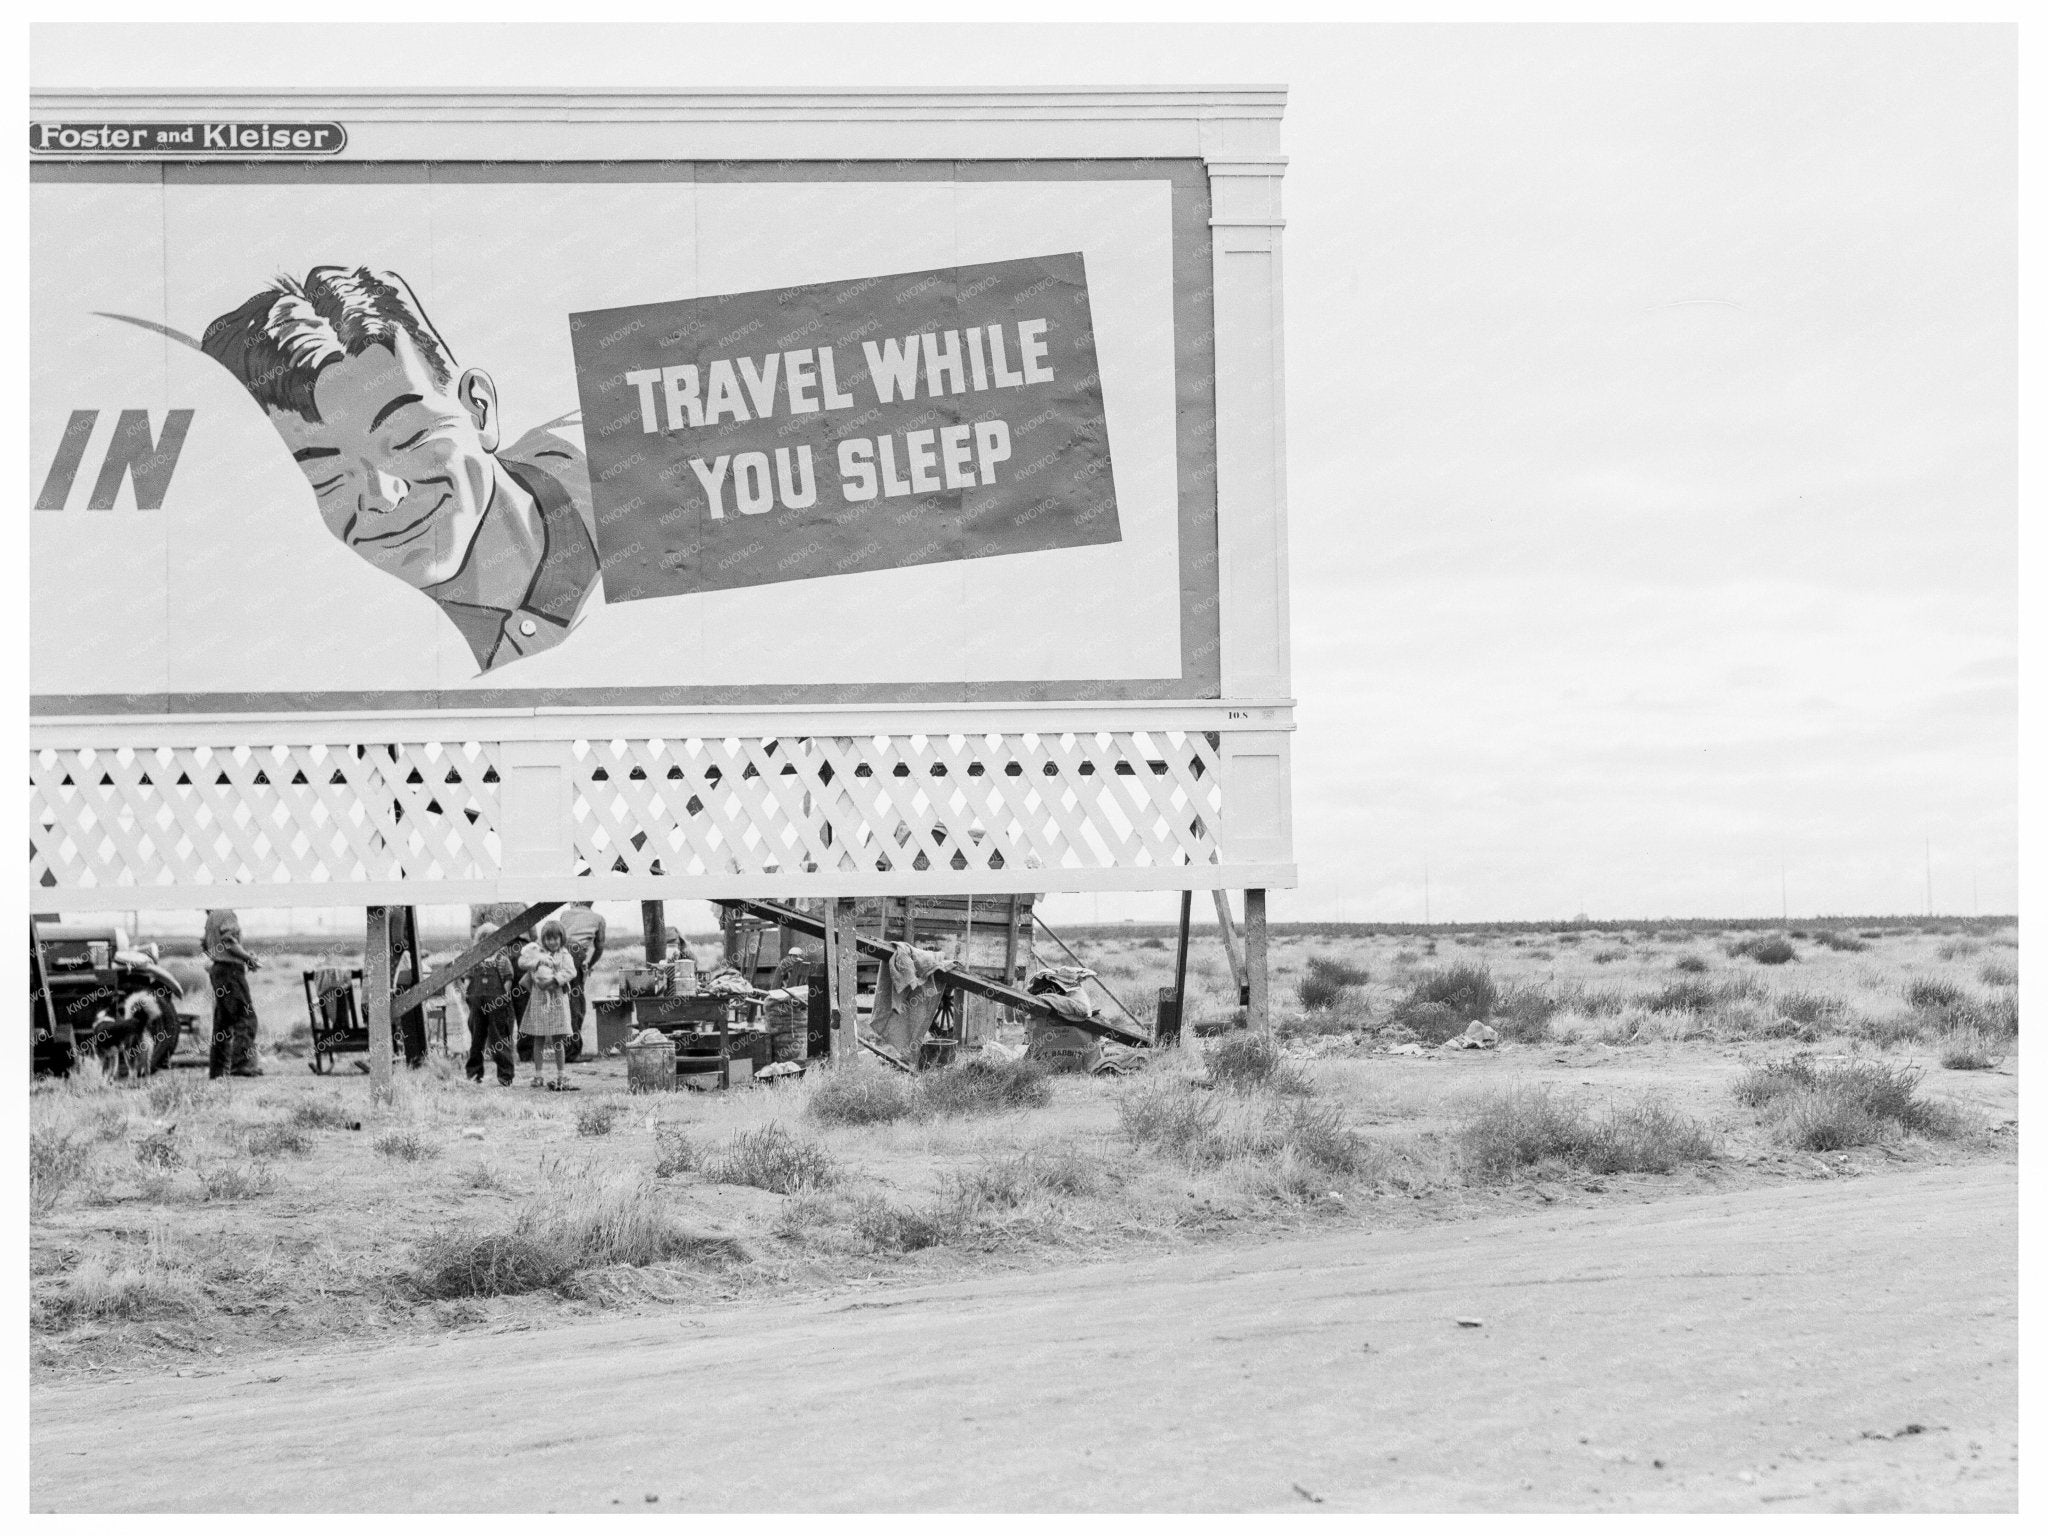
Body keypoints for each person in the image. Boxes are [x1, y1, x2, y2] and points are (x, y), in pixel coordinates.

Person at [200, 266, 600, 673]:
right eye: (325, 476)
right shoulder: (333, 650)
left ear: (479, 409)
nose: (382, 495)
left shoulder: (621, 459)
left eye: (407, 438)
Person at [202, 907, 263, 1078]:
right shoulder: (227, 913)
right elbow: (228, 941)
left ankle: (218, 1070)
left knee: (222, 1023)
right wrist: (247, 958)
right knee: (246, 1018)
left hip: (218, 971)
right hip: (231, 972)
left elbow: (207, 945)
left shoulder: (212, 916)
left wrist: (239, 955)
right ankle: (241, 1064)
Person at [518, 920, 578, 1091]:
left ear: (561, 938)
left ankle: (561, 1073)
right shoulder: (537, 951)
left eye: (555, 938)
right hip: (539, 999)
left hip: (557, 998)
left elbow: (571, 971)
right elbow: (522, 962)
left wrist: (555, 979)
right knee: (538, 1037)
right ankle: (538, 1074)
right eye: (548, 939)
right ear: (543, 939)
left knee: (558, 1038)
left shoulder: (565, 954)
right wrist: (536, 963)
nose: (552, 942)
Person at [462, 925, 518, 1086]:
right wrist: (467, 992)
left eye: (491, 939)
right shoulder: (475, 960)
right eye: (483, 940)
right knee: (476, 1040)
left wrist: (503, 996)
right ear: (479, 942)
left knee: (498, 1039)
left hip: (497, 1005)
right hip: (477, 1005)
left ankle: (505, 1075)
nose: (487, 943)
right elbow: (468, 978)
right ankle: (474, 1074)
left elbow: (508, 979)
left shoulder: (502, 959)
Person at [557, 901, 607, 1063]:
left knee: (563, 1001)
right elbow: (599, 948)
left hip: (559, 953)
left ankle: (564, 1048)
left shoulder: (565, 914)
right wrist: (589, 965)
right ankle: (572, 1051)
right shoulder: (598, 918)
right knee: (576, 1004)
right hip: (577, 954)